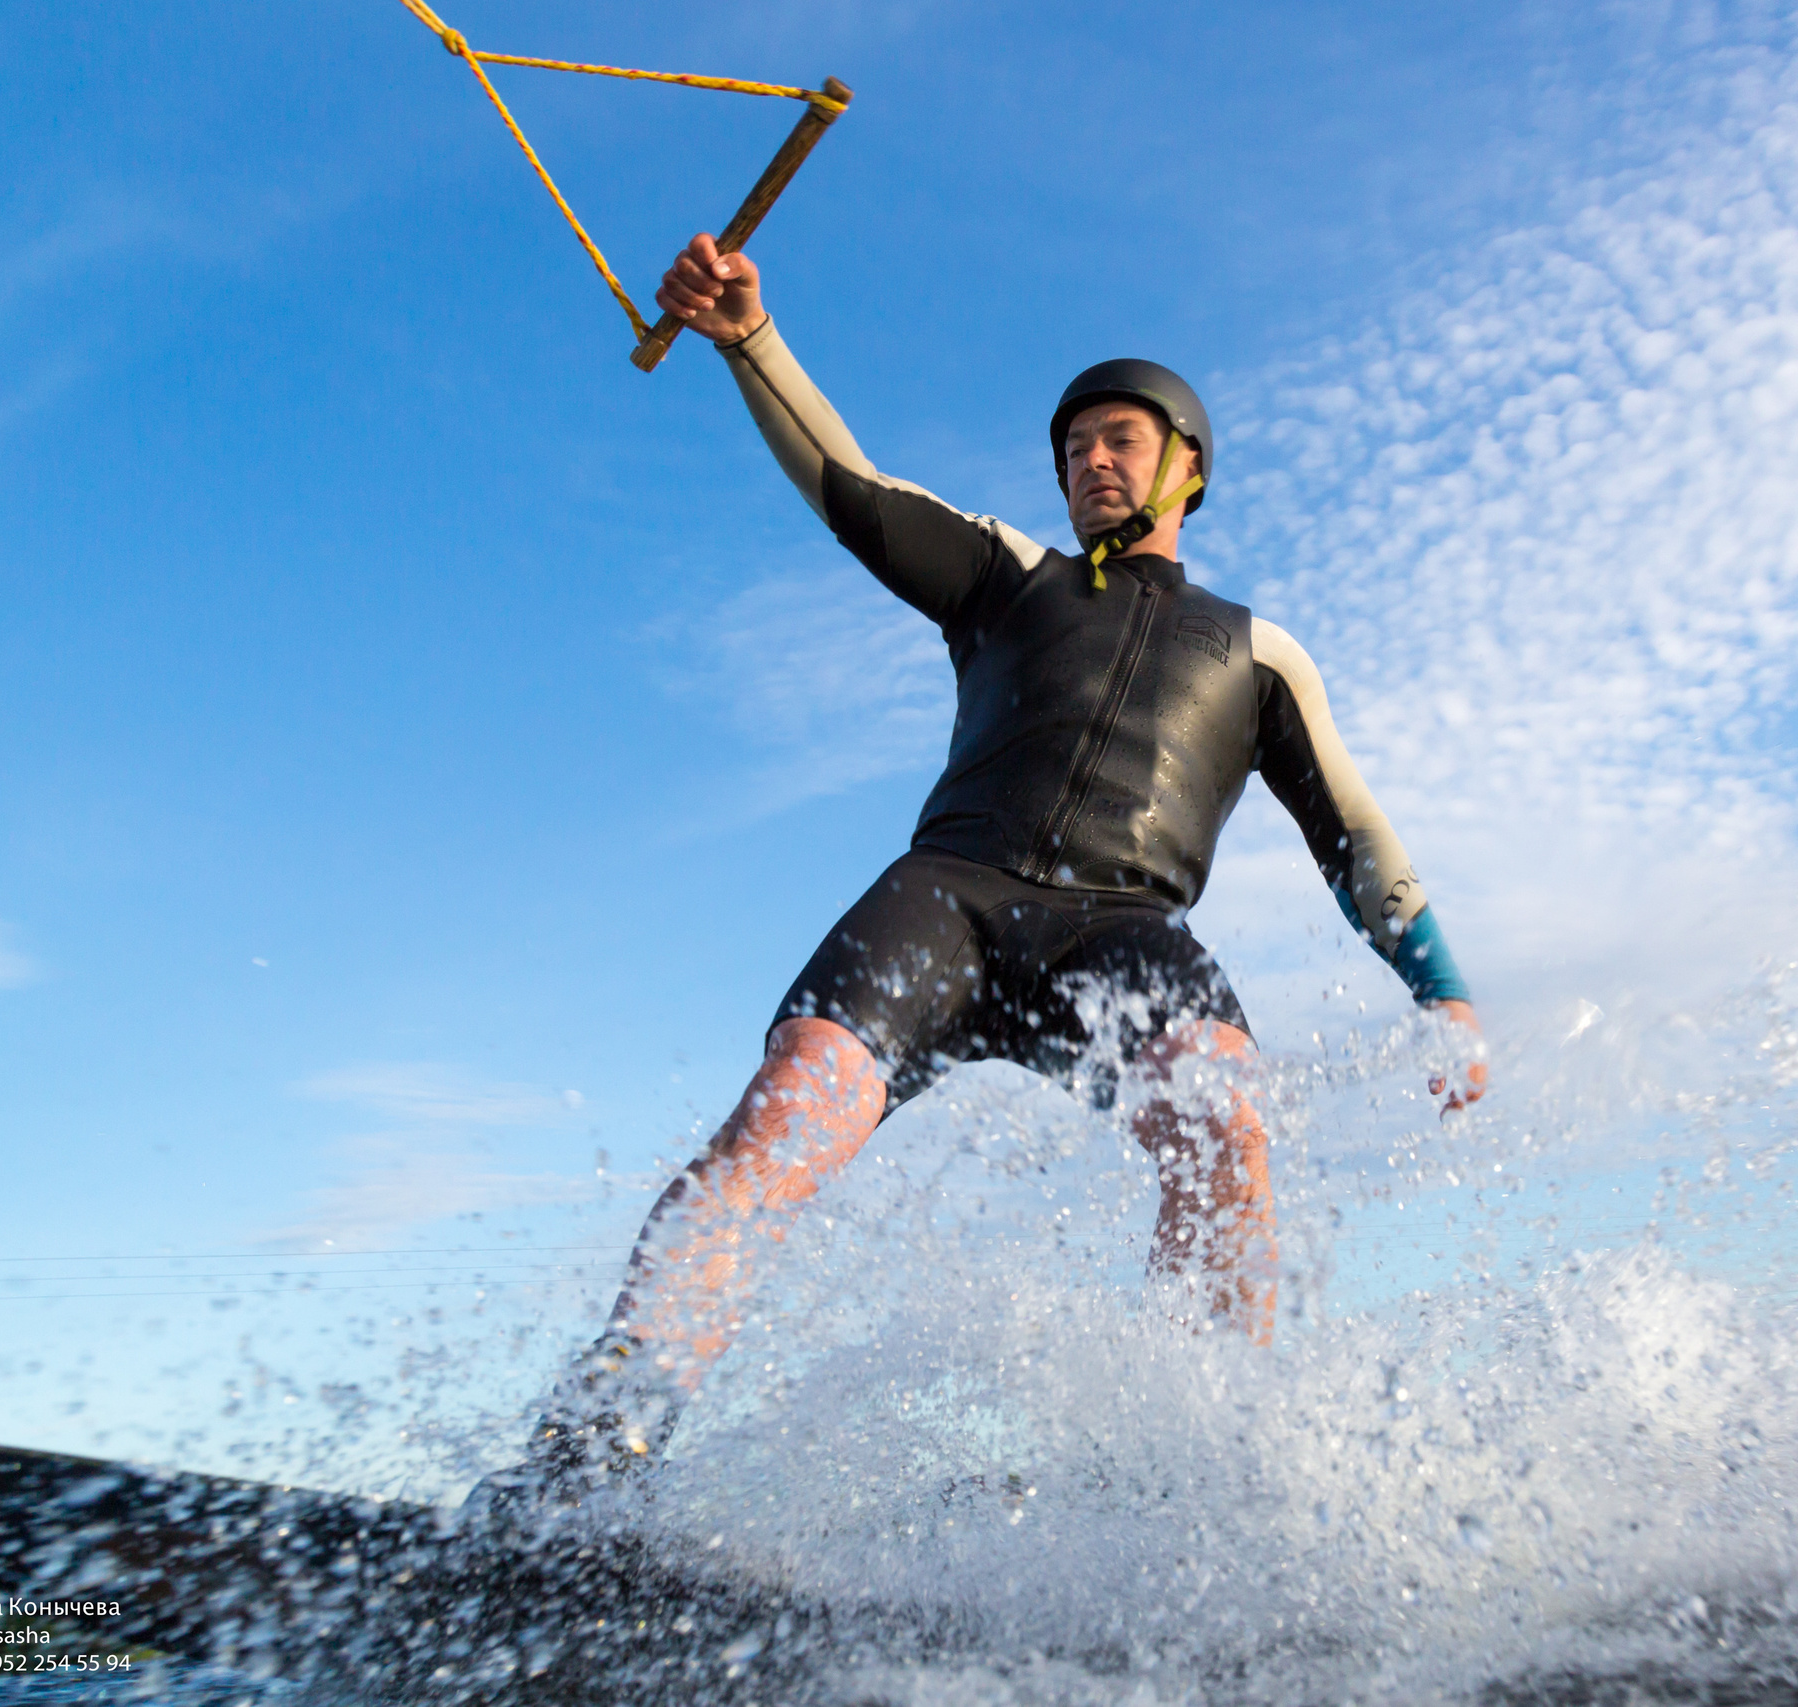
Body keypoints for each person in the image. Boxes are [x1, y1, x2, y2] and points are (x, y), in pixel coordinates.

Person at [484, 235, 1486, 1511]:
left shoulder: (1258, 651)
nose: (1090, 461)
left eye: (1119, 439)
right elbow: (853, 489)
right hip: (949, 900)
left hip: (1122, 936)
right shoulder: (1013, 577)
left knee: (1227, 1129)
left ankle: (1194, 1479)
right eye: (1075, 447)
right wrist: (748, 338)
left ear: (1187, 465)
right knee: (783, 1123)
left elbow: (1356, 835)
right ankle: (596, 1441)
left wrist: (1440, 990)